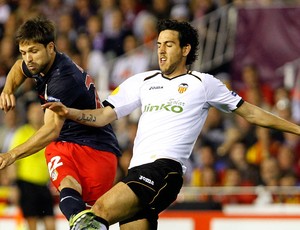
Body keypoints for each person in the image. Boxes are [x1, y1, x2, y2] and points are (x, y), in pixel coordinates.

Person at [43, 19, 300, 230]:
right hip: (136, 172)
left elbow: (252, 114)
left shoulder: (204, 83)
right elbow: (102, 117)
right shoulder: (142, 81)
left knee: (96, 214)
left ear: (185, 49)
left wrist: (297, 129)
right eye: (158, 45)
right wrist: (70, 112)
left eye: (168, 45)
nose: (161, 51)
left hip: (165, 169)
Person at [0, 16, 121, 228]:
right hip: (98, 149)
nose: (28, 58)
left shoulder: (62, 80)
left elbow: (51, 130)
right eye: (24, 52)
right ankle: (80, 219)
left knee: (51, 148)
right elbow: (19, 68)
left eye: (33, 51)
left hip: (93, 153)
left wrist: (12, 155)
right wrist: (8, 89)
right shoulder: (44, 63)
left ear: (51, 47)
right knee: (82, 208)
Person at [9, 99, 56, 230]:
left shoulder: (49, 133)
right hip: (27, 185)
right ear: (28, 114)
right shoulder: (22, 133)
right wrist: (14, 186)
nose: (37, 114)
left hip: (44, 185)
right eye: (34, 111)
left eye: (39, 111)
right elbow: (13, 162)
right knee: (32, 225)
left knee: (51, 224)